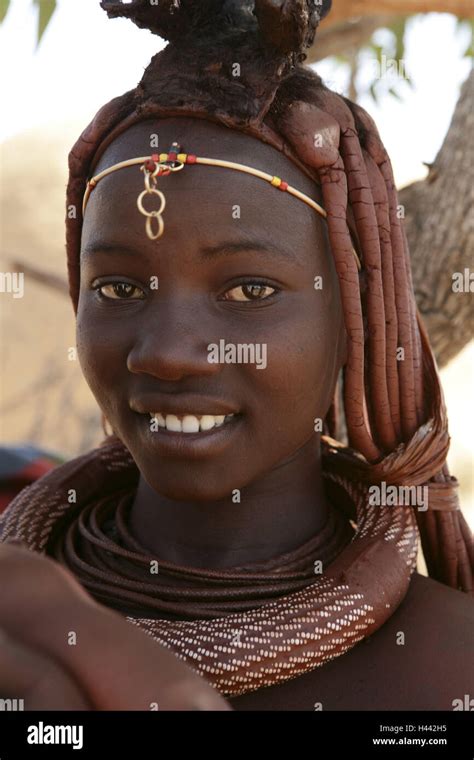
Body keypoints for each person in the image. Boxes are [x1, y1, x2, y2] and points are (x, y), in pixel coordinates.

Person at [0, 0, 472, 711]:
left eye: (249, 288)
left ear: (354, 318)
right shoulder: (18, 621)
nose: (169, 354)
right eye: (120, 286)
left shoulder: (447, 672)